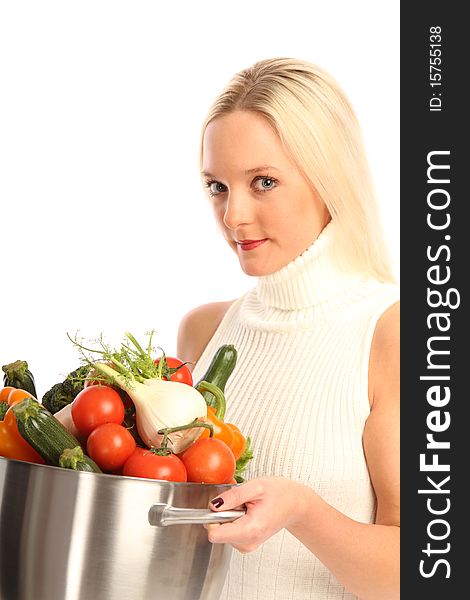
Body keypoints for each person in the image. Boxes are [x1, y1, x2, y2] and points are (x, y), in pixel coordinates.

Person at [177, 58, 399, 600]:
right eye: (217, 187)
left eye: (264, 182)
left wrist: (302, 511)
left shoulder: (393, 334)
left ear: (329, 179)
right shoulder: (203, 332)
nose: (233, 216)